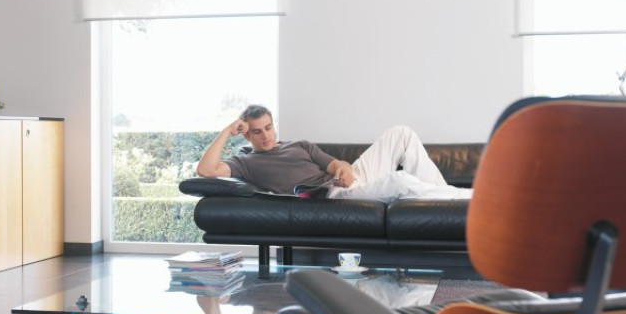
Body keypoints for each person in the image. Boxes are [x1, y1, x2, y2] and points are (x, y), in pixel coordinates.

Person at [196, 104, 471, 202]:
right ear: (246, 134)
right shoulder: (245, 162)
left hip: (345, 181)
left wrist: (343, 170)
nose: (267, 135)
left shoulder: (299, 145)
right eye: (258, 131)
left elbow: (335, 163)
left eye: (269, 127)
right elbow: (206, 170)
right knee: (400, 182)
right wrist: (226, 130)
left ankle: (445, 198)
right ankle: (466, 199)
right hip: (333, 195)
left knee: (401, 133)